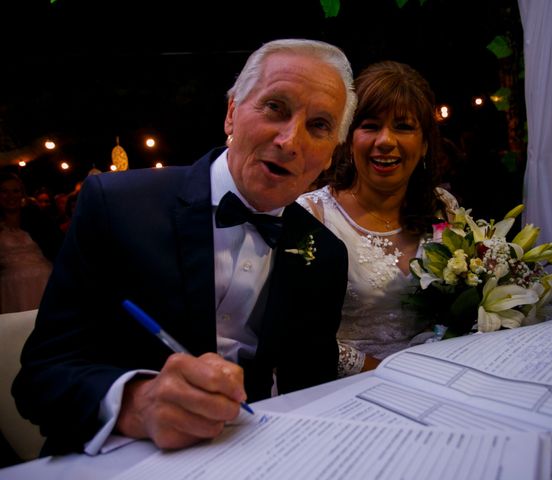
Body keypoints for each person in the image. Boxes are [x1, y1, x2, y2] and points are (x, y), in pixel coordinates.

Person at [12, 38, 357, 456]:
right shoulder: (115, 206)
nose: (290, 140)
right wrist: (139, 403)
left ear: (330, 155)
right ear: (231, 114)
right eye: (275, 108)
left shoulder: (325, 253)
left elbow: (310, 388)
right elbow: (40, 379)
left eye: (319, 125)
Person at [298, 60, 457, 377]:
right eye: (370, 125)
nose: (385, 140)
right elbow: (301, 331)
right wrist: (389, 373)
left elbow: (458, 301)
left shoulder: (443, 209)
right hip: (347, 388)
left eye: (403, 126)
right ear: (348, 138)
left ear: (424, 144)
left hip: (439, 376)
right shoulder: (311, 217)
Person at [0, 172, 63, 313]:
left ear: (22, 194)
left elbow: (57, 247)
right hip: (11, 288)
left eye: (15, 191)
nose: (10, 196)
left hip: (43, 279)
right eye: (4, 191)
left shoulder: (38, 219)